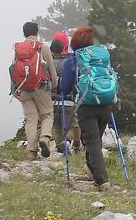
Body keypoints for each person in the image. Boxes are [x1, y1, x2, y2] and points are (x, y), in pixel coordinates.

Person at [58, 26, 112, 191]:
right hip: (105, 102)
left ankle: (102, 180)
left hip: (85, 105)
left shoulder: (73, 61)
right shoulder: (100, 57)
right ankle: (91, 169)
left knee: (92, 141)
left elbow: (64, 88)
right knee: (94, 139)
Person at [10, 22, 56, 160]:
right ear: (37, 32)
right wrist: (54, 85)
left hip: (23, 88)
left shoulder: (18, 50)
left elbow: (13, 69)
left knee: (31, 119)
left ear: (24, 33)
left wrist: (14, 91)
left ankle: (31, 151)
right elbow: (52, 71)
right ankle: (45, 138)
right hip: (41, 87)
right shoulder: (43, 48)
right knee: (47, 114)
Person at [49, 33, 81, 155]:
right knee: (73, 125)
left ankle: (60, 148)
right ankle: (74, 145)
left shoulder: (48, 60)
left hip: (51, 99)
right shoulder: (71, 60)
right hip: (68, 99)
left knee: (57, 126)